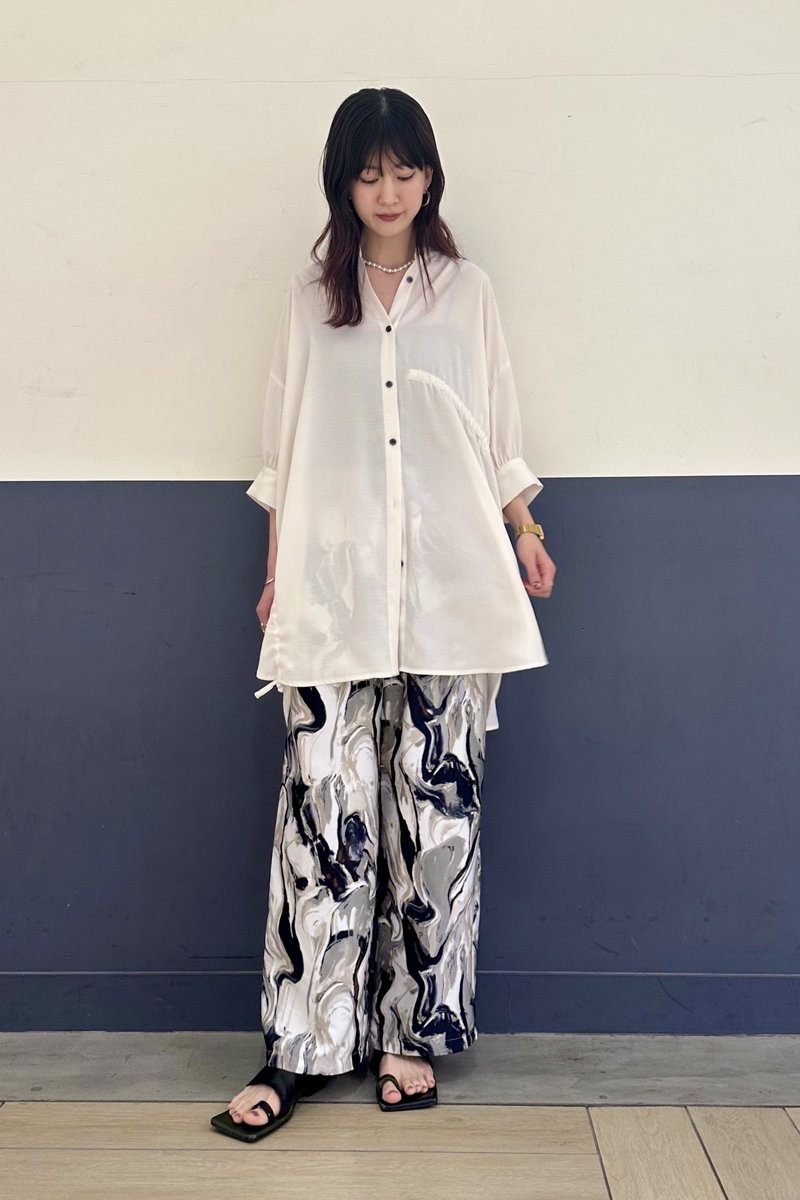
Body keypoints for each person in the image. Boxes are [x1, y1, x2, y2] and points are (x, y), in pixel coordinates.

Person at [210, 86, 556, 1142]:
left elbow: (495, 428)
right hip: (334, 591)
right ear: (343, 183)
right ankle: (303, 1045)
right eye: (369, 173)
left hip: (452, 587)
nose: (389, 190)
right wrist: (278, 571)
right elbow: (284, 446)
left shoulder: (467, 292)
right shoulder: (309, 301)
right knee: (323, 818)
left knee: (435, 822)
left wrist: (524, 529)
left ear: (429, 176)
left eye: (405, 171)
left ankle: (411, 1034)